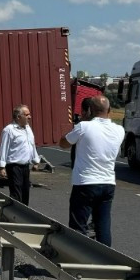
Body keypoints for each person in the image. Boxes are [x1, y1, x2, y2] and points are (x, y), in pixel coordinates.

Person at [59, 94, 125, 246]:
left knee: (78, 226)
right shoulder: (119, 130)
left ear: (89, 110)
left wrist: (82, 121)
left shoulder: (84, 127)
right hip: (108, 183)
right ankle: (104, 260)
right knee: (103, 225)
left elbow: (63, 143)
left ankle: (79, 259)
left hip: (86, 183)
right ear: (109, 110)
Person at [0, 104, 41, 205]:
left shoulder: (27, 128)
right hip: (14, 167)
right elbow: (4, 148)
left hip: (25, 166)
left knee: (26, 192)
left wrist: (36, 161)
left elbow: (31, 145)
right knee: (16, 194)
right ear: (18, 117)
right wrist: (1, 167)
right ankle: (15, 216)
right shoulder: (9, 130)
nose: (30, 117)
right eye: (27, 115)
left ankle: (24, 216)